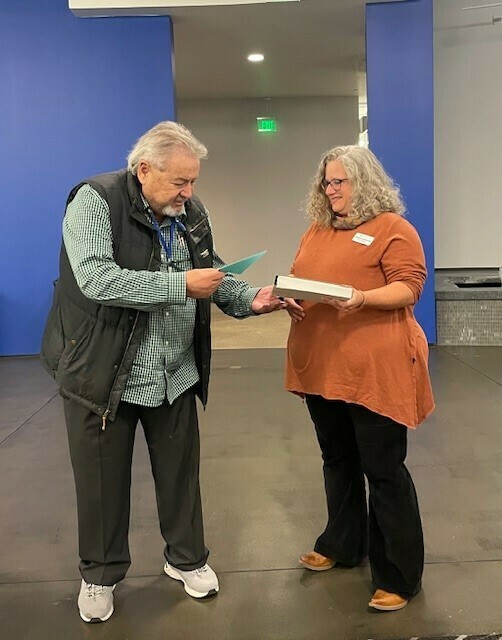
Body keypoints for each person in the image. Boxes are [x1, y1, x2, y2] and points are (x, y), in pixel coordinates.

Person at [41, 121, 284, 623]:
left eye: (193, 181)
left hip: (173, 371)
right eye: (179, 181)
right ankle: (100, 574)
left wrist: (249, 297)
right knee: (101, 482)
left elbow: (210, 269)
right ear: (144, 169)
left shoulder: (190, 211)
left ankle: (187, 560)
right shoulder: (94, 201)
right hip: (101, 372)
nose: (188, 192)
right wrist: (180, 286)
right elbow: (97, 279)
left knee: (180, 476)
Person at [283, 145, 434, 612]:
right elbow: (302, 274)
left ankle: (398, 575)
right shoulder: (318, 229)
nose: (330, 191)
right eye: (326, 182)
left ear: (363, 182)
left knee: (383, 470)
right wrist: (291, 296)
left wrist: (362, 298)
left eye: (339, 182)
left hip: (375, 369)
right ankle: (343, 544)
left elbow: (409, 286)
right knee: (337, 459)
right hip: (323, 366)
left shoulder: (393, 229)